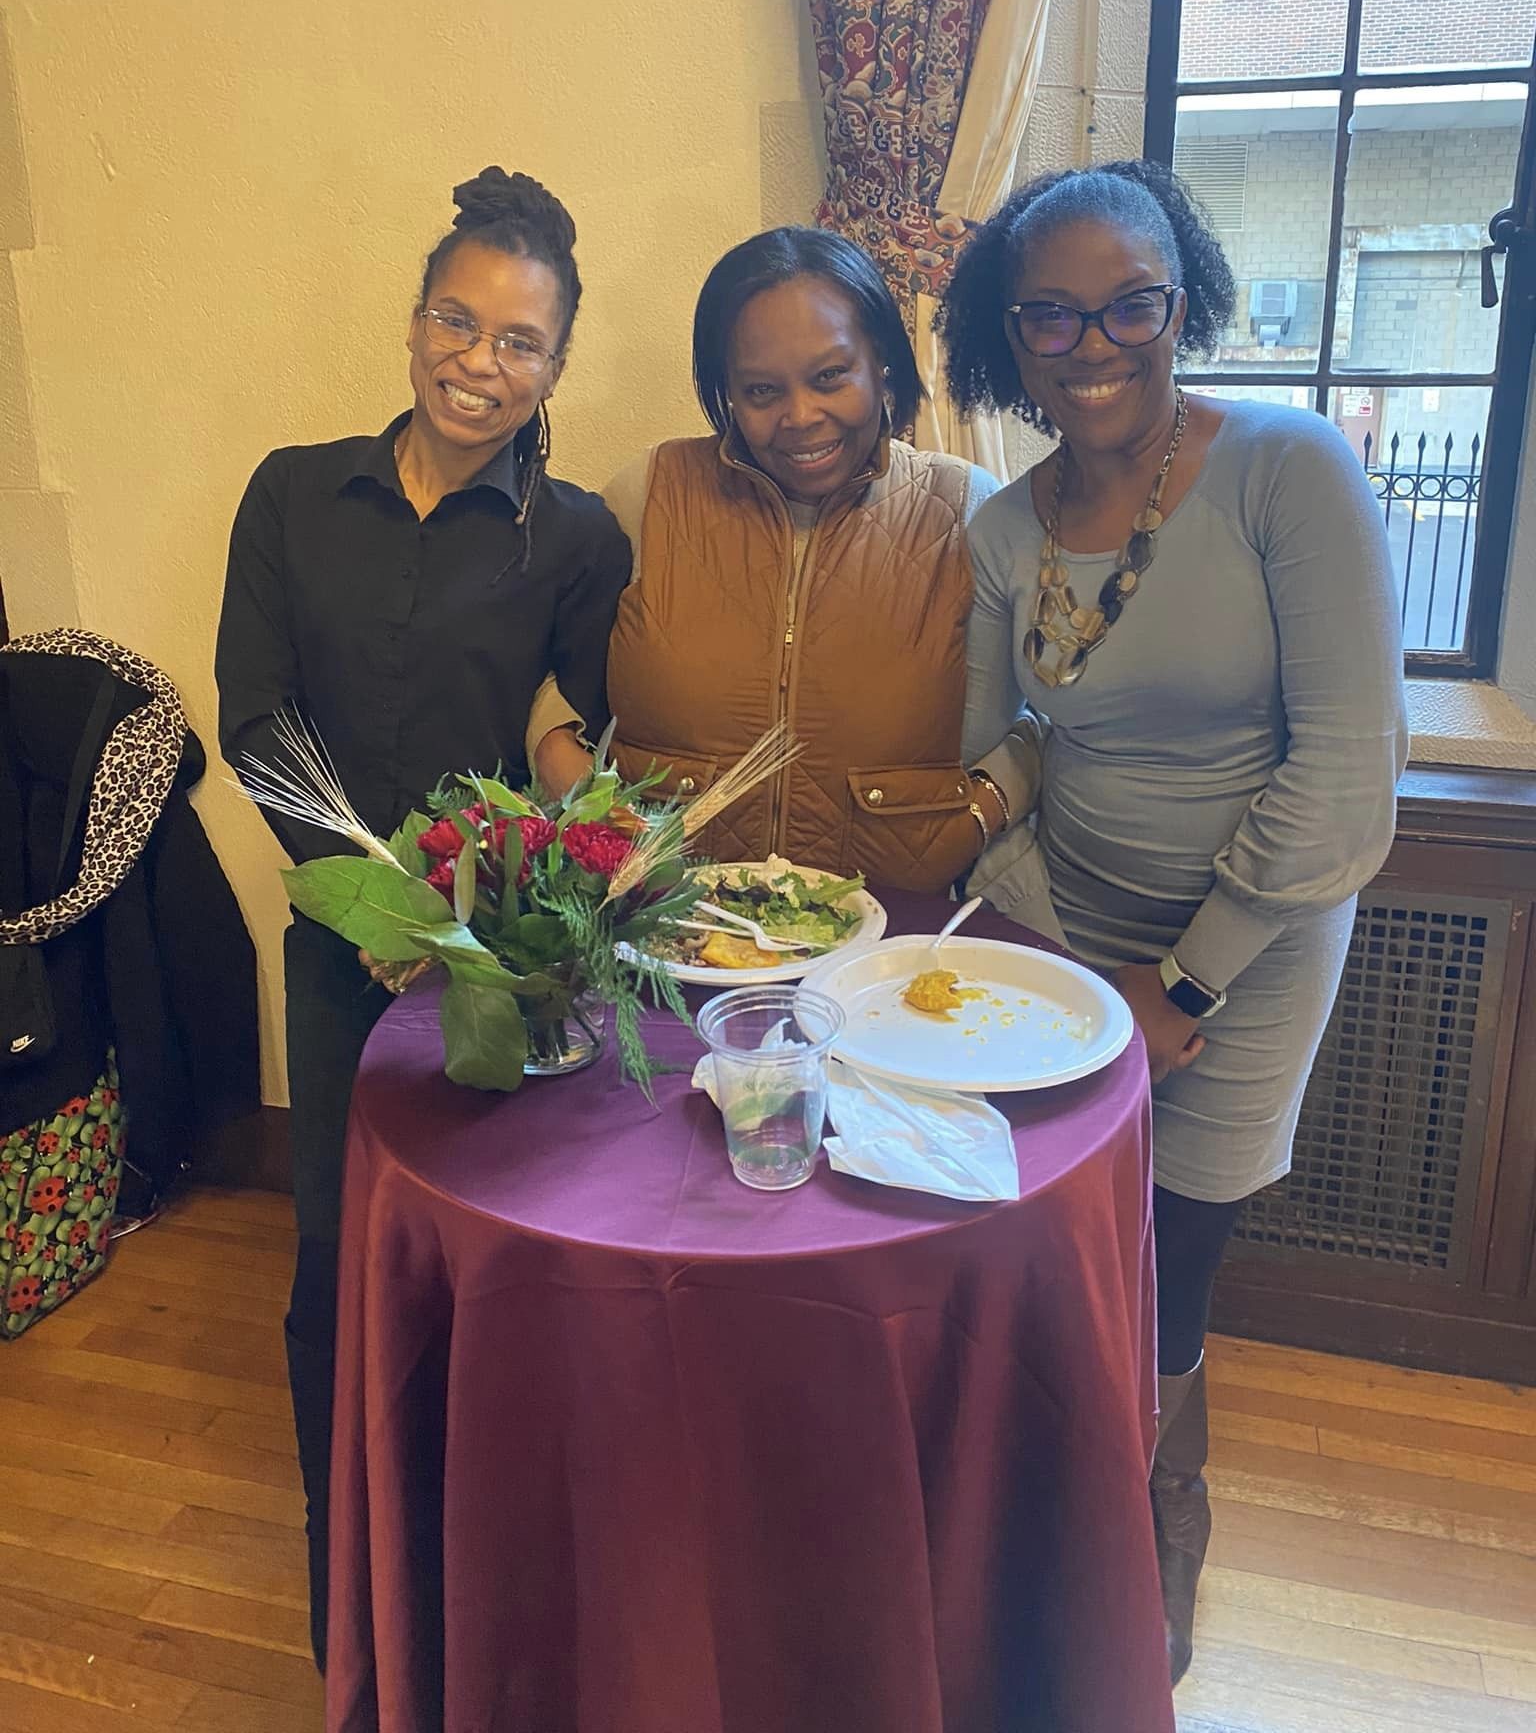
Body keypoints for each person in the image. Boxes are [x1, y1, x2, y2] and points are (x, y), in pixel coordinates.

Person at [943, 160, 1407, 1687]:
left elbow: (1345, 777)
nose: (1094, 345)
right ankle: (1043, 1512)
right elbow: (1001, 754)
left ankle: (1160, 1517)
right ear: (1010, 335)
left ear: (1184, 301)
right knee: (1045, 1239)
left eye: (1130, 305)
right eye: (1052, 316)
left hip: (1251, 955)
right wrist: (1060, 957)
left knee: (1169, 1258)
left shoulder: (1288, 473)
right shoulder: (1001, 532)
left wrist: (1183, 984)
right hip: (1067, 943)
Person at [215, 168, 631, 1666]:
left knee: (503, 1272)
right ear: (413, 324)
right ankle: (357, 1601)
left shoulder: (578, 540)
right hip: (346, 960)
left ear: (554, 369)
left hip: (500, 969)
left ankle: (498, 1587)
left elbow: (575, 742)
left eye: (520, 341)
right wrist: (377, 904)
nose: (479, 361)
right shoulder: (289, 492)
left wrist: (544, 876)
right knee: (342, 1272)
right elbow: (258, 724)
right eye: (458, 320)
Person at [530, 226, 1025, 892]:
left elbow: (1030, 721)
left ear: (881, 361)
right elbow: (553, 681)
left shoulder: (963, 508)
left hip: (893, 929)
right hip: (672, 925)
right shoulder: (649, 493)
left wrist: (978, 818)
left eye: (830, 377)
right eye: (762, 391)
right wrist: (572, 785)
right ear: (728, 392)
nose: (801, 416)